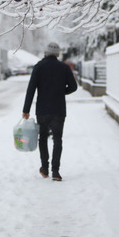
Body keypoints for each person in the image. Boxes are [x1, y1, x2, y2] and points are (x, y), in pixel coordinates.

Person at [22, 42, 78, 181]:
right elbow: (73, 86)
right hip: (59, 110)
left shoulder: (39, 67)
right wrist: (61, 92)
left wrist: (26, 110)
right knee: (57, 139)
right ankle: (56, 171)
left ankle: (45, 168)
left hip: (42, 110)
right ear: (58, 54)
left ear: (45, 53)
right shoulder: (64, 68)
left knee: (43, 138)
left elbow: (31, 89)